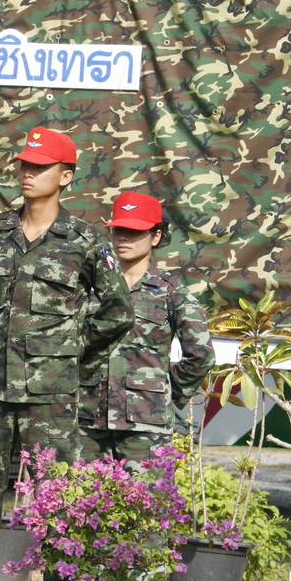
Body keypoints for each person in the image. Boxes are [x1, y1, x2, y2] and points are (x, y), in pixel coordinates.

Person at [0, 126, 135, 581]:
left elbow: (117, 312)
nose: (28, 173)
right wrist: (0, 339)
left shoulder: (85, 240)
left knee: (58, 503)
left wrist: (68, 353)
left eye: (40, 166)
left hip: (51, 398)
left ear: (66, 176)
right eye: (25, 166)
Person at [78, 191, 215, 467]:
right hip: (88, 421)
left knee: (148, 495)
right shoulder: (89, 287)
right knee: (81, 493)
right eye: (118, 230)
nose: (123, 238)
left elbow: (201, 355)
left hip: (145, 426)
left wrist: (161, 391)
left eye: (134, 231)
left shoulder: (170, 291)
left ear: (156, 236)